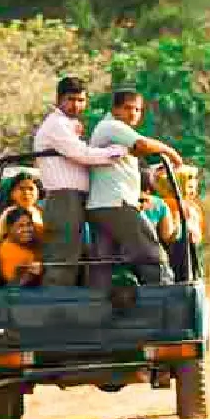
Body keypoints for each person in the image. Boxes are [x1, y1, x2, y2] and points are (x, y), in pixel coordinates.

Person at [31, 77, 129, 286]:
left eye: (81, 100)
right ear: (59, 100)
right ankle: (55, 307)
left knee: (83, 252)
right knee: (63, 256)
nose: (76, 105)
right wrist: (115, 152)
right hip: (63, 196)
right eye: (71, 99)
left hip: (78, 197)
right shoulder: (55, 125)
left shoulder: (69, 125)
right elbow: (82, 154)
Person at [85, 89, 183, 287]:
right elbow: (142, 145)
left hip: (103, 204)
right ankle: (164, 294)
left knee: (105, 258)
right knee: (151, 251)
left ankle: (98, 302)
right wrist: (171, 152)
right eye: (128, 108)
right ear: (115, 109)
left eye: (137, 110)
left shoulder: (113, 130)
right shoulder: (111, 126)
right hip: (114, 203)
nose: (133, 114)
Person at [0, 207, 43, 287]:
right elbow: (14, 286)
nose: (26, 229)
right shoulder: (7, 250)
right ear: (10, 228)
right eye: (21, 226)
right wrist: (31, 274)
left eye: (29, 225)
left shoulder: (33, 243)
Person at [0, 172, 45, 240]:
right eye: (21, 189)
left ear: (38, 193)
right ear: (12, 194)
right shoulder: (8, 213)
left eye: (31, 189)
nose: (26, 192)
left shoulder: (42, 211)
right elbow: (0, 236)